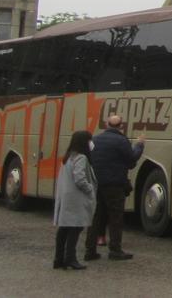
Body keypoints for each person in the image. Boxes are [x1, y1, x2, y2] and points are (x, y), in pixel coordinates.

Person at [84, 114, 144, 261]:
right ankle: (115, 250)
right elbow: (131, 160)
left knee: (96, 216)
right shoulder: (121, 141)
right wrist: (139, 146)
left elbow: (90, 159)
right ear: (121, 126)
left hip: (97, 183)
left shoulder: (95, 140)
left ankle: (90, 250)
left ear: (107, 125)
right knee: (115, 217)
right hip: (115, 185)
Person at [53, 130, 97, 270]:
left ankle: (58, 258)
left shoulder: (68, 157)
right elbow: (80, 179)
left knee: (64, 228)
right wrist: (90, 189)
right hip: (77, 198)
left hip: (67, 197)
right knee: (75, 228)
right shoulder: (81, 158)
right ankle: (70, 258)